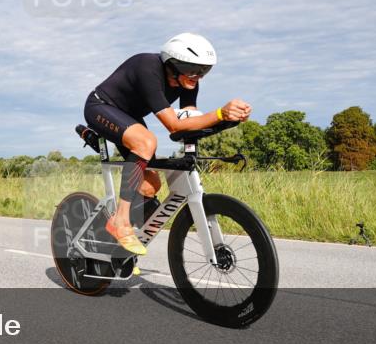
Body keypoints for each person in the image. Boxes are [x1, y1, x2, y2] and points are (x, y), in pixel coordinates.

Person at [84, 33, 252, 255]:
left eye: (204, 70)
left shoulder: (189, 84)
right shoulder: (147, 67)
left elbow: (188, 121)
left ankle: (118, 248)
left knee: (149, 185)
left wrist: (228, 120)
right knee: (147, 142)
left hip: (129, 117)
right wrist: (221, 113)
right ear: (173, 64)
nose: (198, 76)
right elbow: (173, 125)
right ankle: (119, 220)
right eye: (193, 69)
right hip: (101, 106)